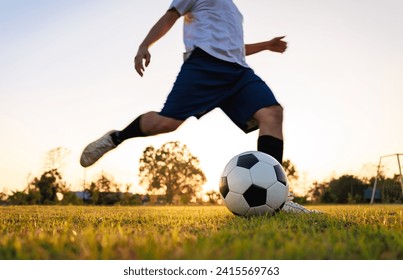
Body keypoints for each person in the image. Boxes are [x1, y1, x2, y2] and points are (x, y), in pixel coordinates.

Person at [80, 0, 317, 214]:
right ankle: (116, 138)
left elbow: (234, 48)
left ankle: (279, 201)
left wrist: (266, 45)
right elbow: (170, 16)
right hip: (204, 66)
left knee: (272, 113)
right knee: (165, 123)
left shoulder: (234, 10)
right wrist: (145, 45)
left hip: (238, 72)